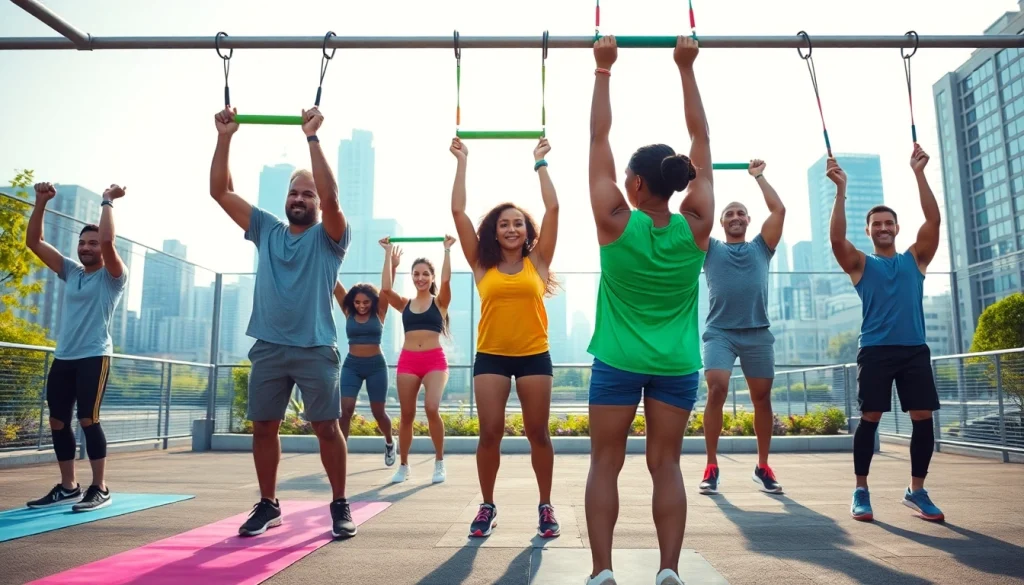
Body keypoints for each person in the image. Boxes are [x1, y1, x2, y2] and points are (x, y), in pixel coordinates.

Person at [584, 35, 713, 585]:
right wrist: (685, 68)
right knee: (666, 466)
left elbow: (597, 137)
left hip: (617, 360)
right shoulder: (698, 226)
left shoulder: (615, 220)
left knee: (604, 465)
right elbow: (701, 137)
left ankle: (603, 571)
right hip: (677, 365)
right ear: (675, 182)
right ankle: (668, 571)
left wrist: (604, 69)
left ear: (634, 184)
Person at [209, 106, 356, 539]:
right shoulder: (266, 229)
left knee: (326, 427)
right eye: (295, 192)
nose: (300, 199)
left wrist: (311, 138)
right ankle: (269, 504)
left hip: (315, 347)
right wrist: (225, 136)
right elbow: (221, 191)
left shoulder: (331, 237)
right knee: (264, 427)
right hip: (269, 346)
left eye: (308, 194)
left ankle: (339, 502)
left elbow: (332, 200)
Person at [450, 136, 561, 539]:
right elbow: (458, 211)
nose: (512, 228)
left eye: (517, 222)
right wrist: (463, 160)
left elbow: (553, 208)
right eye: (504, 223)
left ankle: (546, 506)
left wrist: (539, 163)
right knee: (490, 433)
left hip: (535, 356)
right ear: (494, 233)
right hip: (491, 357)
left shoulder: (538, 261)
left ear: (525, 230)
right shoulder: (482, 265)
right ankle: (487, 505)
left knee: (538, 434)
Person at [828, 146, 944, 523]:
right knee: (871, 417)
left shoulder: (916, 259)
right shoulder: (861, 265)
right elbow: (836, 241)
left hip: (914, 351)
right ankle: (861, 489)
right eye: (876, 224)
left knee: (923, 418)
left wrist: (919, 173)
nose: (882, 228)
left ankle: (917, 490)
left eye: (888, 223)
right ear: (868, 231)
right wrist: (841, 190)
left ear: (896, 228)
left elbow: (934, 220)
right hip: (876, 351)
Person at [24, 182, 129, 513]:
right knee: (57, 420)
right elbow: (34, 242)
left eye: (92, 243)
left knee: (88, 419)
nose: (86, 247)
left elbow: (110, 240)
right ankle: (69, 486)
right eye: (82, 242)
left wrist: (107, 201)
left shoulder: (113, 277)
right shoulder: (71, 271)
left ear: (102, 248)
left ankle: (100, 487)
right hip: (64, 357)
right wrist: (40, 202)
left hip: (94, 356)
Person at [699, 159, 786, 496]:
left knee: (761, 397)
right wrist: (700, 177)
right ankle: (711, 464)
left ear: (749, 221)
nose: (735, 217)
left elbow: (778, 209)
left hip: (757, 332)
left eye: (740, 214)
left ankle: (763, 466)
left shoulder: (761, 247)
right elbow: (696, 215)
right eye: (729, 214)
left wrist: (759, 176)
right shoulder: (711, 249)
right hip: (719, 331)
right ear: (720, 222)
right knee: (717, 387)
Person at [379, 236, 455, 485]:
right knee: (407, 414)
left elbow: (446, 280)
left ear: (431, 277)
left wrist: (446, 250)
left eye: (425, 274)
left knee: (431, 408)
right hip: (409, 360)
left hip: (434, 360)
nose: (420, 278)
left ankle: (439, 462)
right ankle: (403, 466)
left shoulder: (440, 302)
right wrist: (389, 254)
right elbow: (387, 290)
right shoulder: (406, 304)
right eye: (415, 274)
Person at [332, 243, 402, 466]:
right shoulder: (347, 311)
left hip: (376, 367)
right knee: (345, 411)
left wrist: (390, 259)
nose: (361, 306)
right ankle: (340, 453)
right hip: (351, 365)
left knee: (378, 411)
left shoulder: (380, 311)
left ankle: (390, 442)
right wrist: (323, 253)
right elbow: (334, 282)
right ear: (352, 302)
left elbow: (386, 287)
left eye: (366, 302)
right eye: (357, 302)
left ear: (372, 302)